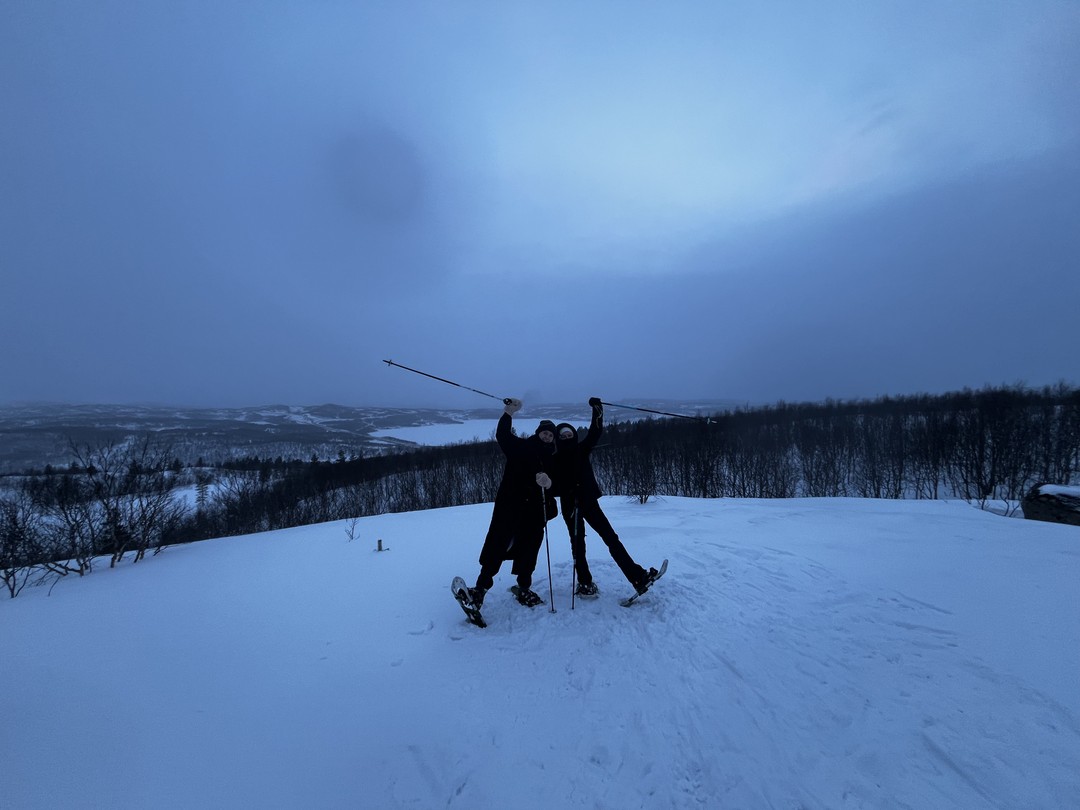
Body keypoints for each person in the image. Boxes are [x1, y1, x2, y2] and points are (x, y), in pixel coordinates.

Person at [553, 397, 659, 597]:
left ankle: (637, 577)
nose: (567, 437)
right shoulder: (555, 460)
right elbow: (552, 486)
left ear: (574, 435)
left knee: (611, 538)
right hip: (570, 506)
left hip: (588, 502)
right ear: (559, 439)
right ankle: (585, 583)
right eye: (563, 435)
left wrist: (597, 408)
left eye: (569, 434)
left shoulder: (581, 450)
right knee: (578, 546)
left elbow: (596, 430)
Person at [465, 398, 559, 608]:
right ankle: (479, 590)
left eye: (550, 434)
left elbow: (558, 487)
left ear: (553, 439)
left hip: (534, 514)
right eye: (544, 432)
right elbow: (503, 436)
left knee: (529, 553)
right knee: (497, 547)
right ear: (538, 433)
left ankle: (524, 589)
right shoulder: (522, 447)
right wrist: (508, 413)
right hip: (510, 508)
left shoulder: (553, 459)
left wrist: (550, 483)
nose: (547, 436)